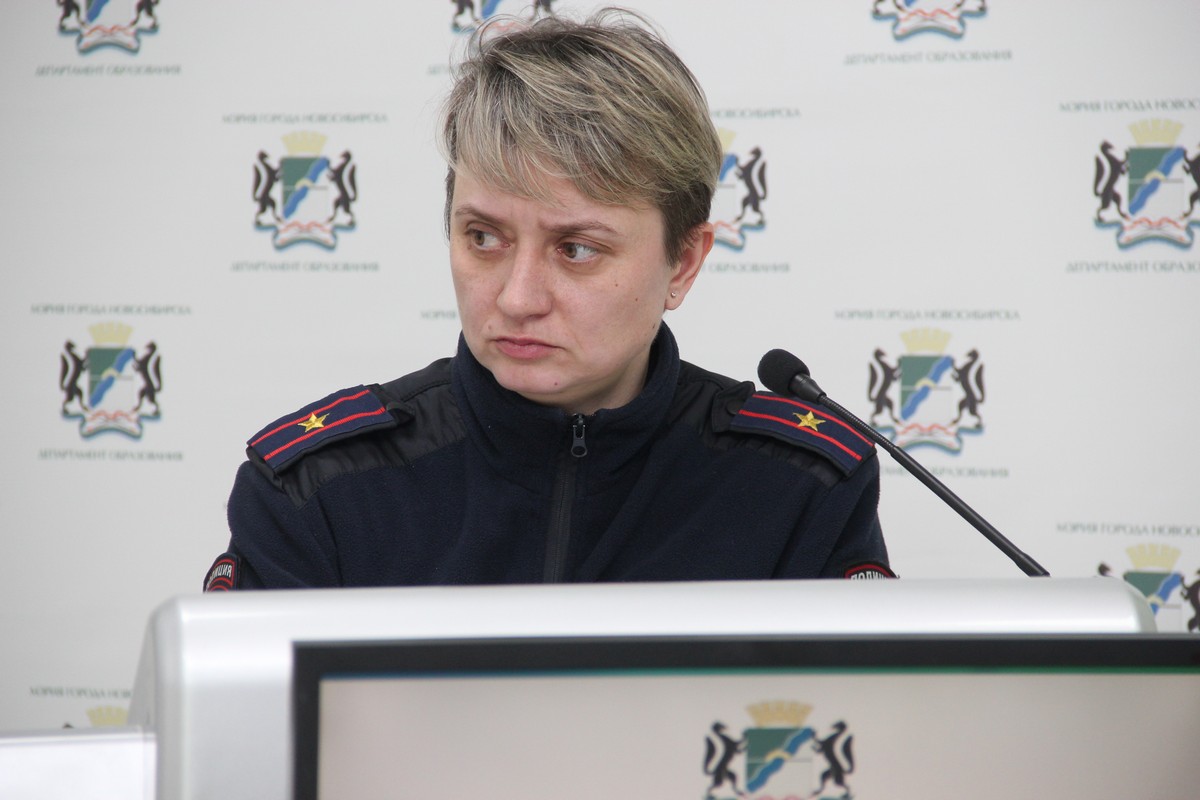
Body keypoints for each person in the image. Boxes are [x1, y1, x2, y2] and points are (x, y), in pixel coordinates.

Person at [204, 9, 890, 592]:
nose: (517, 297)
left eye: (577, 249)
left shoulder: (801, 485)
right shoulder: (317, 490)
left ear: (683, 261)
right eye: (484, 237)